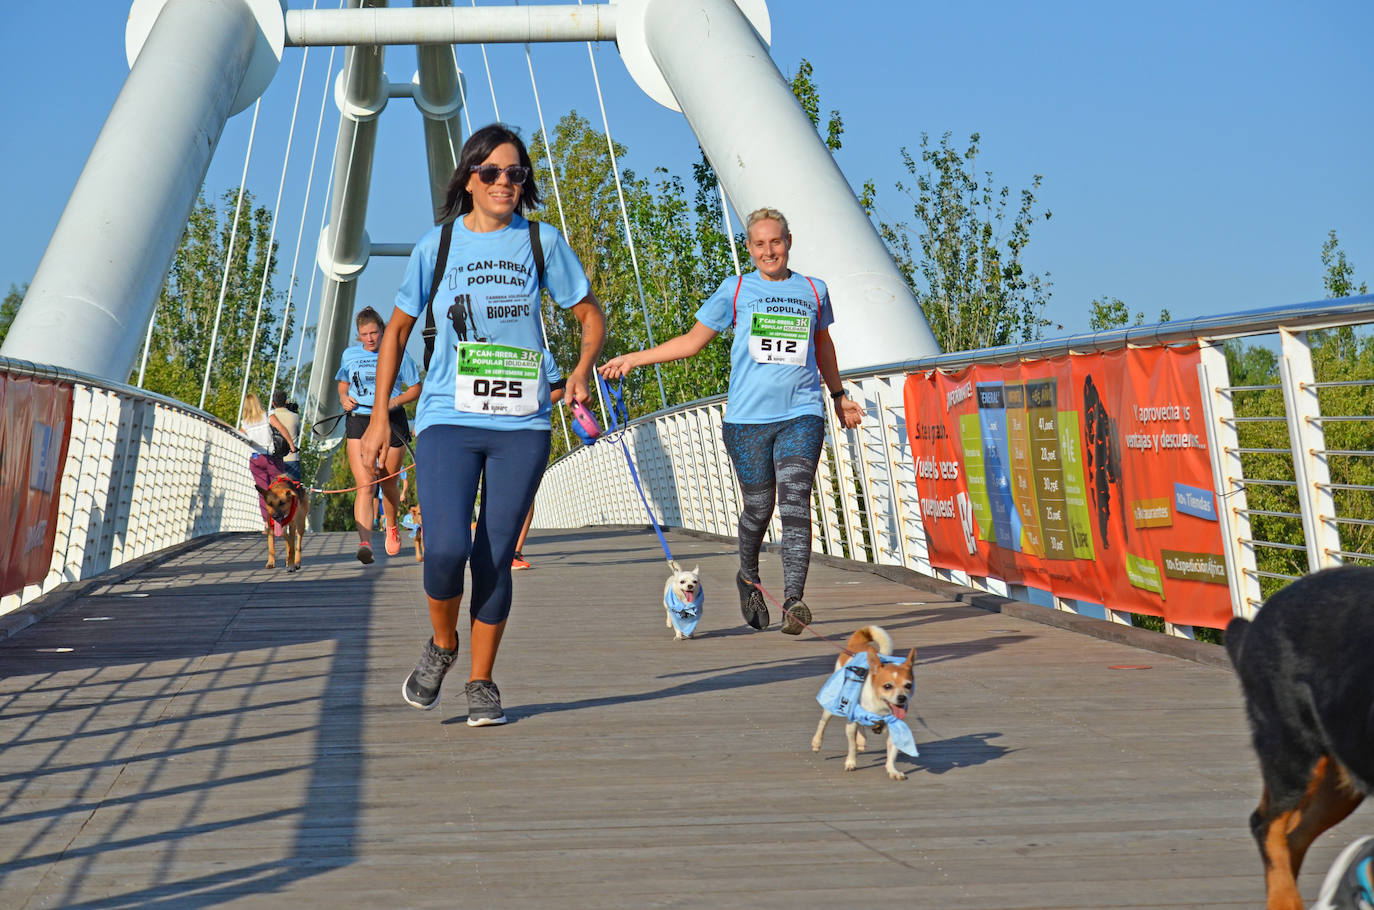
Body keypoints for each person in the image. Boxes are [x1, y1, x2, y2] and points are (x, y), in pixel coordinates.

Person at [361, 123, 605, 726]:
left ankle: (481, 680)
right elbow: (394, 331)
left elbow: (589, 316)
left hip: (522, 422)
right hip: (447, 415)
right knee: (444, 549)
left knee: (494, 554)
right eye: (492, 172)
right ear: (469, 178)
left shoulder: (542, 242)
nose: (505, 182)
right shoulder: (436, 245)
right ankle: (444, 644)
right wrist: (377, 419)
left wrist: (579, 369)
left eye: (516, 174)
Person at [600, 207, 863, 635]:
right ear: (750, 248)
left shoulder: (814, 290)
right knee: (759, 507)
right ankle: (748, 575)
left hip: (802, 414)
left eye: (776, 241)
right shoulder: (736, 290)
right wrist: (634, 359)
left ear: (789, 241)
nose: (769, 250)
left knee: (796, 502)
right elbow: (691, 342)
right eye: (759, 244)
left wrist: (838, 396)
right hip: (746, 421)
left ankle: (794, 601)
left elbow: (823, 345)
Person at [336, 306, 422, 564]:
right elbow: (343, 382)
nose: (370, 338)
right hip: (359, 419)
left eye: (374, 332)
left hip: (391, 419)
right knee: (364, 484)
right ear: (358, 335)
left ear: (383, 331)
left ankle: (392, 525)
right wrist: (343, 397)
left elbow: (416, 388)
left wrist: (392, 403)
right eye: (365, 334)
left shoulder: (397, 352)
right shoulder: (350, 355)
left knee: (387, 481)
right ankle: (365, 542)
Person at [240, 392, 291, 524]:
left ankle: (268, 523)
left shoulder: (245, 423)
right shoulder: (268, 415)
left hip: (256, 459)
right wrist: (291, 445)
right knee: (279, 488)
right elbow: (281, 428)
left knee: (263, 493)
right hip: (271, 458)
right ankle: (282, 520)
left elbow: (241, 437)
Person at [270, 389, 302, 481]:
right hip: (291, 458)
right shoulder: (295, 417)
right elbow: (298, 432)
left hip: (274, 458)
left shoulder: (270, 416)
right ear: (286, 402)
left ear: (273, 403)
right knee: (294, 490)